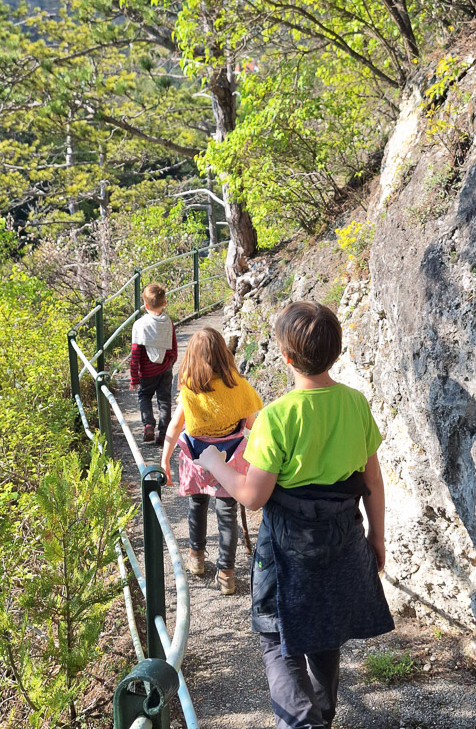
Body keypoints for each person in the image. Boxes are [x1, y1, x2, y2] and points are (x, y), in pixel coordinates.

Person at [195, 301, 394, 729]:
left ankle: (303, 723)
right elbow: (372, 482)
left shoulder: (277, 416)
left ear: (285, 357)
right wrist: (376, 539)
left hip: (287, 552)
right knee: (325, 633)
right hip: (342, 544)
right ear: (337, 352)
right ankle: (323, 714)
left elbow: (252, 495)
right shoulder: (356, 404)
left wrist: (213, 462)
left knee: (277, 641)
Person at [160, 327, 263, 595]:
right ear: (224, 355)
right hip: (230, 462)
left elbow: (173, 428)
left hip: (197, 462)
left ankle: (196, 559)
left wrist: (164, 461)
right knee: (227, 514)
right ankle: (226, 574)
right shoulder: (238, 387)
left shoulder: (190, 391)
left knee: (197, 506)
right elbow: (254, 424)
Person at [130, 282, 177, 444]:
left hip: (146, 372)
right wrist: (171, 361)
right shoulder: (168, 323)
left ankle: (148, 425)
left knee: (144, 396)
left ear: (145, 305)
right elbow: (173, 346)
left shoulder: (139, 325)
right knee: (164, 400)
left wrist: (134, 378)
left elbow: (135, 354)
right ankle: (164, 433)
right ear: (164, 303)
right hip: (165, 369)